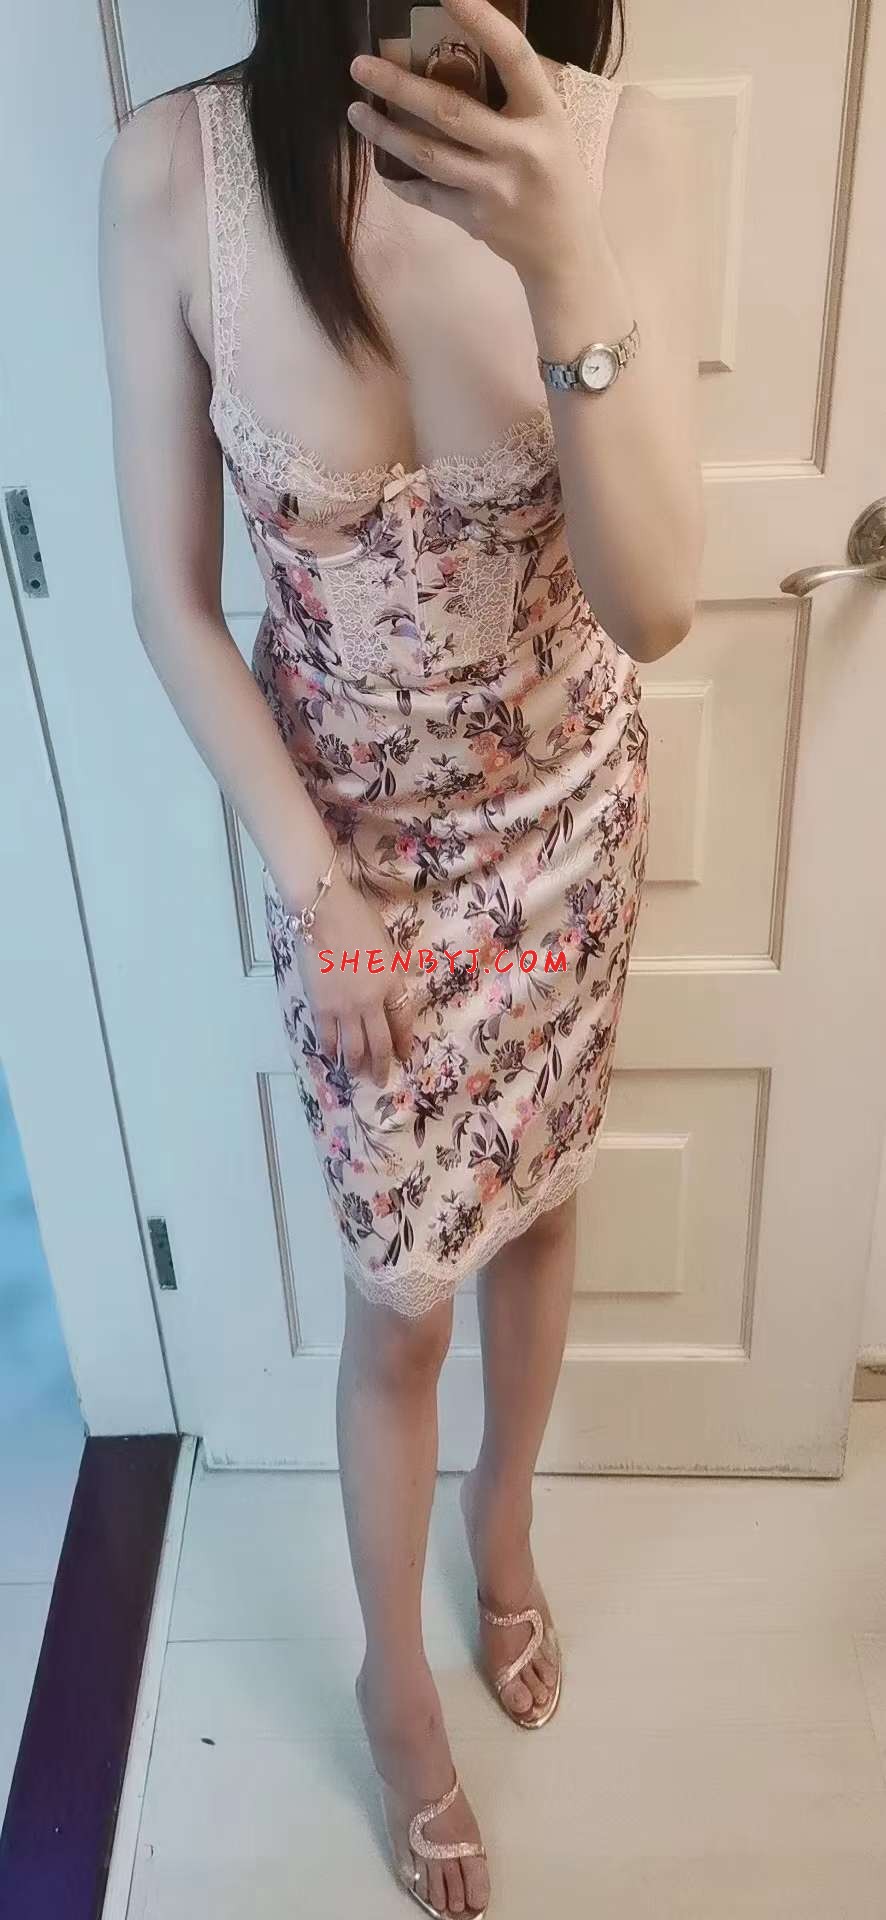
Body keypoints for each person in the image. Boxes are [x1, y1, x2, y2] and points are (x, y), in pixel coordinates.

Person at [99, 0, 702, 1910]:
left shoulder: (609, 148)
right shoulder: (173, 173)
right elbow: (169, 601)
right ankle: (392, 1686)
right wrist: (322, 899)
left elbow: (654, 606)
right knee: (400, 1298)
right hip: (348, 865)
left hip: (566, 821)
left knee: (540, 1205)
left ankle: (500, 1541)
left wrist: (566, 260)